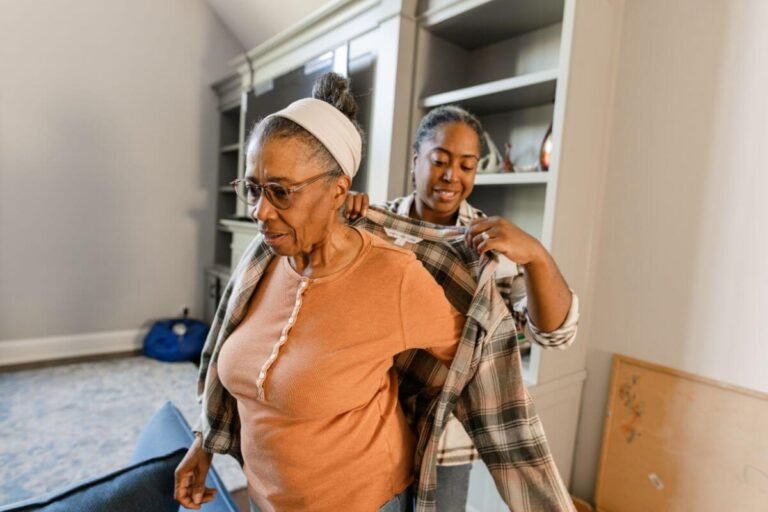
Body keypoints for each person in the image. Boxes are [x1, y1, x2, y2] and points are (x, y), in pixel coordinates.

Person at [174, 73, 466, 512]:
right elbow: (228, 357)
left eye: (280, 192)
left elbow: (475, 359)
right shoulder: (263, 258)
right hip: (265, 500)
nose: (259, 211)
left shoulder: (394, 276)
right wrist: (204, 444)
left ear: (338, 191)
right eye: (253, 188)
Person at [345, 105, 579, 511]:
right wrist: (341, 216)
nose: (452, 176)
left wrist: (536, 256)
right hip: (371, 426)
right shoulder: (375, 228)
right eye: (440, 161)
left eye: (467, 165)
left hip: (446, 445)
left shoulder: (491, 245)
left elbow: (554, 335)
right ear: (415, 159)